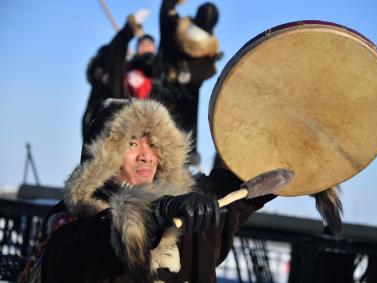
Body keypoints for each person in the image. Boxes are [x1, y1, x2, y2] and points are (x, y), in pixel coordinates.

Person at [22, 98, 287, 283]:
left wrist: (296, 148)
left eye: (154, 146)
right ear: (103, 154)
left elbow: (246, 180)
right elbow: (85, 247)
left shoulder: (190, 200)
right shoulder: (71, 220)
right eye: (133, 144)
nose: (146, 157)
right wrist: (155, 213)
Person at [152, 0, 223, 166]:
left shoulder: (174, 26)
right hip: (165, 104)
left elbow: (166, 8)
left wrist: (183, 73)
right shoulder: (207, 56)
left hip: (179, 110)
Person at [82, 14, 156, 140]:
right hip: (122, 121)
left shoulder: (158, 70)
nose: (146, 48)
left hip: (148, 124)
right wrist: (128, 30)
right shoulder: (125, 69)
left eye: (150, 46)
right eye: (143, 45)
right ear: (136, 48)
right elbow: (113, 56)